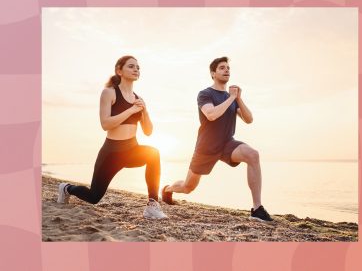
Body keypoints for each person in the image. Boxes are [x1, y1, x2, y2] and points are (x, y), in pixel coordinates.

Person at [162, 56, 272, 222]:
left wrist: (239, 98)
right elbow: (211, 115)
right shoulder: (205, 94)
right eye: (222, 68)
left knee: (253, 155)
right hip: (206, 147)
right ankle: (168, 189)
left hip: (227, 143)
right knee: (188, 186)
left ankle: (257, 209)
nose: (226, 70)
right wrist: (231, 98)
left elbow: (249, 120)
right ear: (213, 73)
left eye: (228, 67)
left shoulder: (233, 98)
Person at [57, 55, 167, 219]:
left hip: (131, 150)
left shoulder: (139, 99)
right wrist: (131, 110)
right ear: (119, 70)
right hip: (111, 153)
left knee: (153, 153)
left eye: (138, 67)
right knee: (94, 197)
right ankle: (66, 188)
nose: (136, 69)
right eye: (131, 66)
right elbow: (105, 124)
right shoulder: (109, 93)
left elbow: (148, 131)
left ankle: (152, 205)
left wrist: (145, 110)